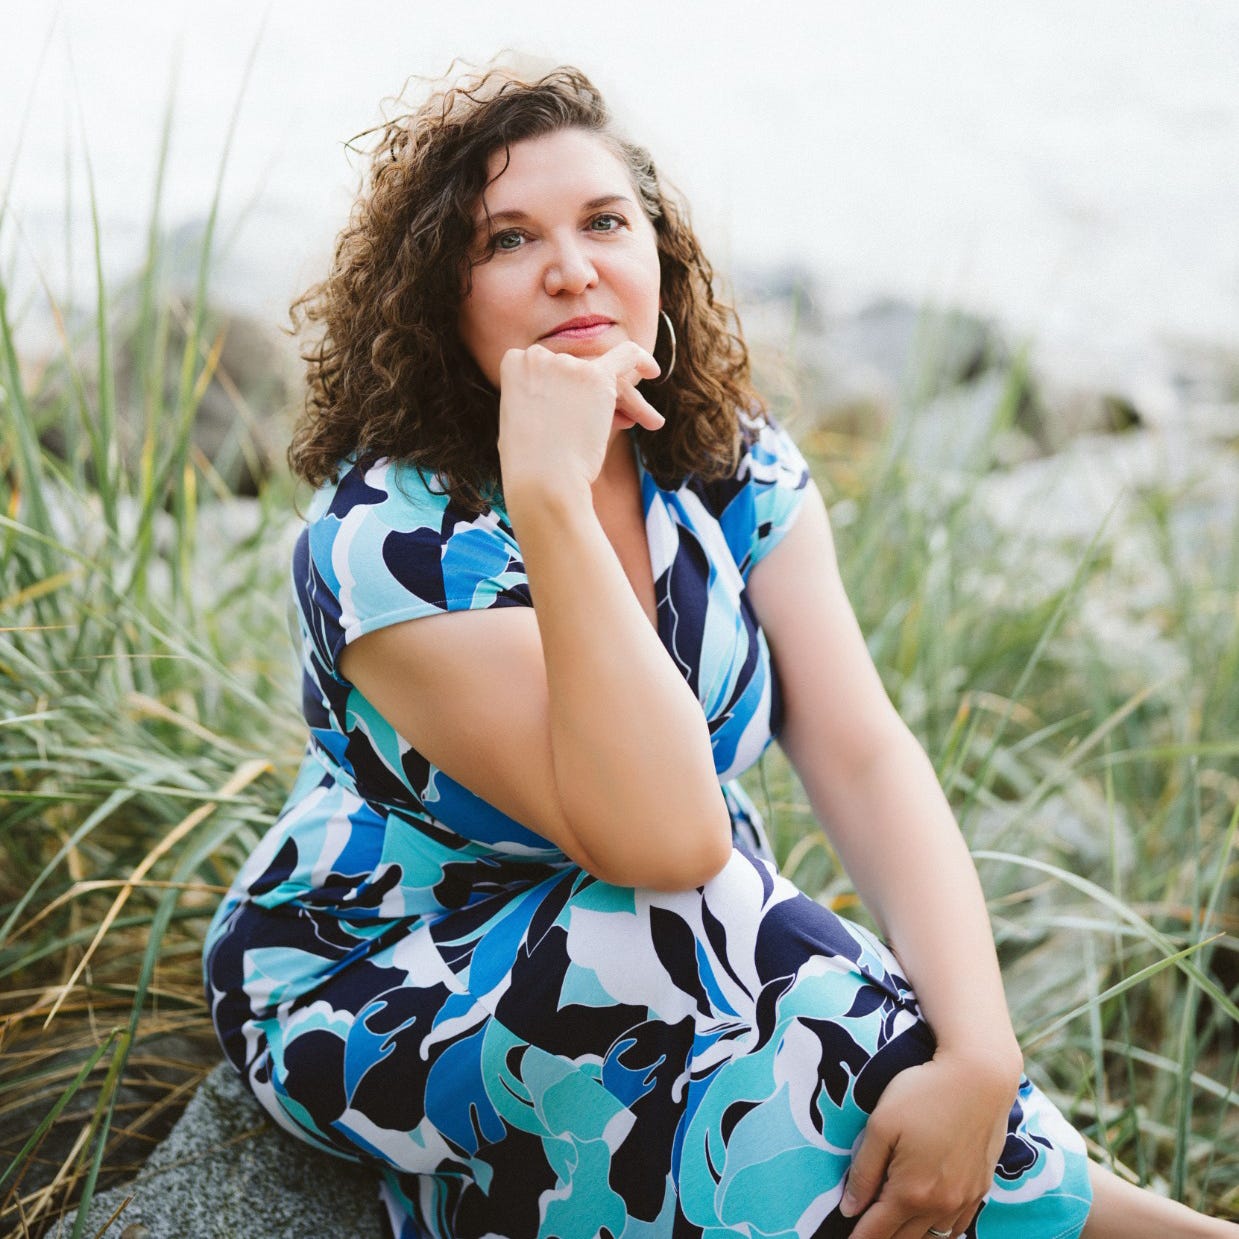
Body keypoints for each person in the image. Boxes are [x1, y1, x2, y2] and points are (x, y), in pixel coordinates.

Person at [202, 61, 1236, 1239]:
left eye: (605, 222)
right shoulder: (388, 541)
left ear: (661, 256)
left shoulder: (723, 462)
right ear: (442, 302)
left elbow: (860, 750)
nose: (573, 266)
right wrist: (547, 496)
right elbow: (665, 838)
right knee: (692, 925)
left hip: (702, 927)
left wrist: (983, 1056)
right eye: (506, 240)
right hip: (383, 961)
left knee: (792, 1050)